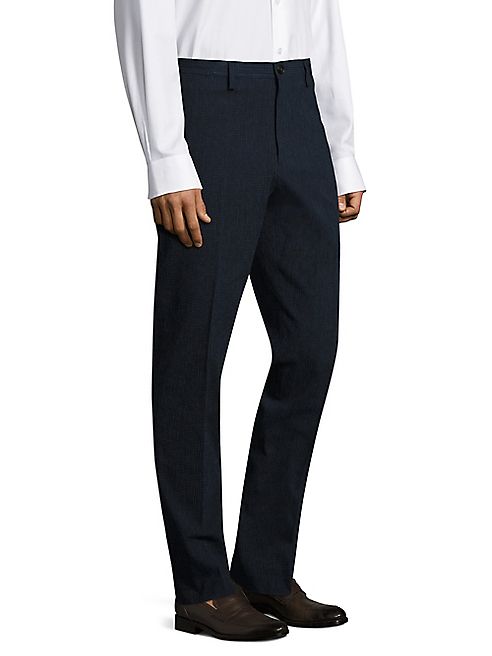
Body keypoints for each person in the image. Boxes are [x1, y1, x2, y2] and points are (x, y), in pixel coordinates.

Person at [114, 0, 365, 642]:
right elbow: (143, 17)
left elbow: (321, 17)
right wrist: (166, 157)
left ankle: (264, 568)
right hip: (209, 106)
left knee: (310, 348)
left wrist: (340, 148)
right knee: (193, 354)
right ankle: (202, 585)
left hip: (299, 102)